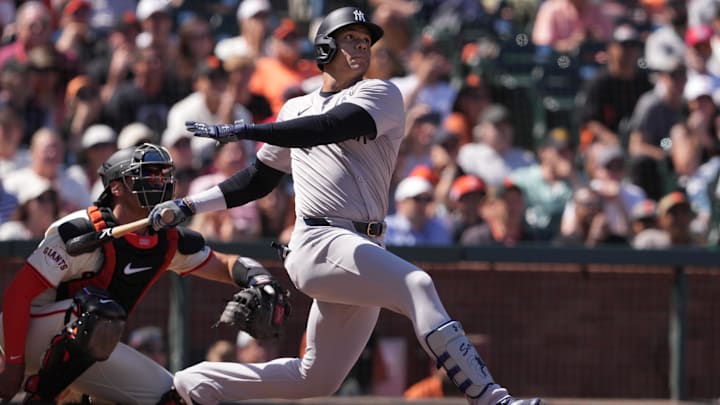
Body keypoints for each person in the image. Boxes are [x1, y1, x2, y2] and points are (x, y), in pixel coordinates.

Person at [149, 6, 541, 405]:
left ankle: (195, 384)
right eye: (350, 38)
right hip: (318, 239)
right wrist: (188, 205)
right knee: (416, 284)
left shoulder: (381, 93)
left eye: (366, 41)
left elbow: (329, 127)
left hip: (363, 245)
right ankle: (492, 398)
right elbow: (257, 179)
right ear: (324, 48)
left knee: (316, 379)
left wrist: (246, 128)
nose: (361, 47)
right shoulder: (295, 108)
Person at [0, 143, 289, 404]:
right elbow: (17, 295)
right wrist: (13, 365)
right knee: (97, 313)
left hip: (89, 340)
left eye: (164, 175)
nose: (159, 182)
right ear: (116, 188)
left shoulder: (166, 241)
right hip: (21, 335)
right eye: (149, 175)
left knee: (170, 398)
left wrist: (260, 279)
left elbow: (225, 263)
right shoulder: (81, 230)